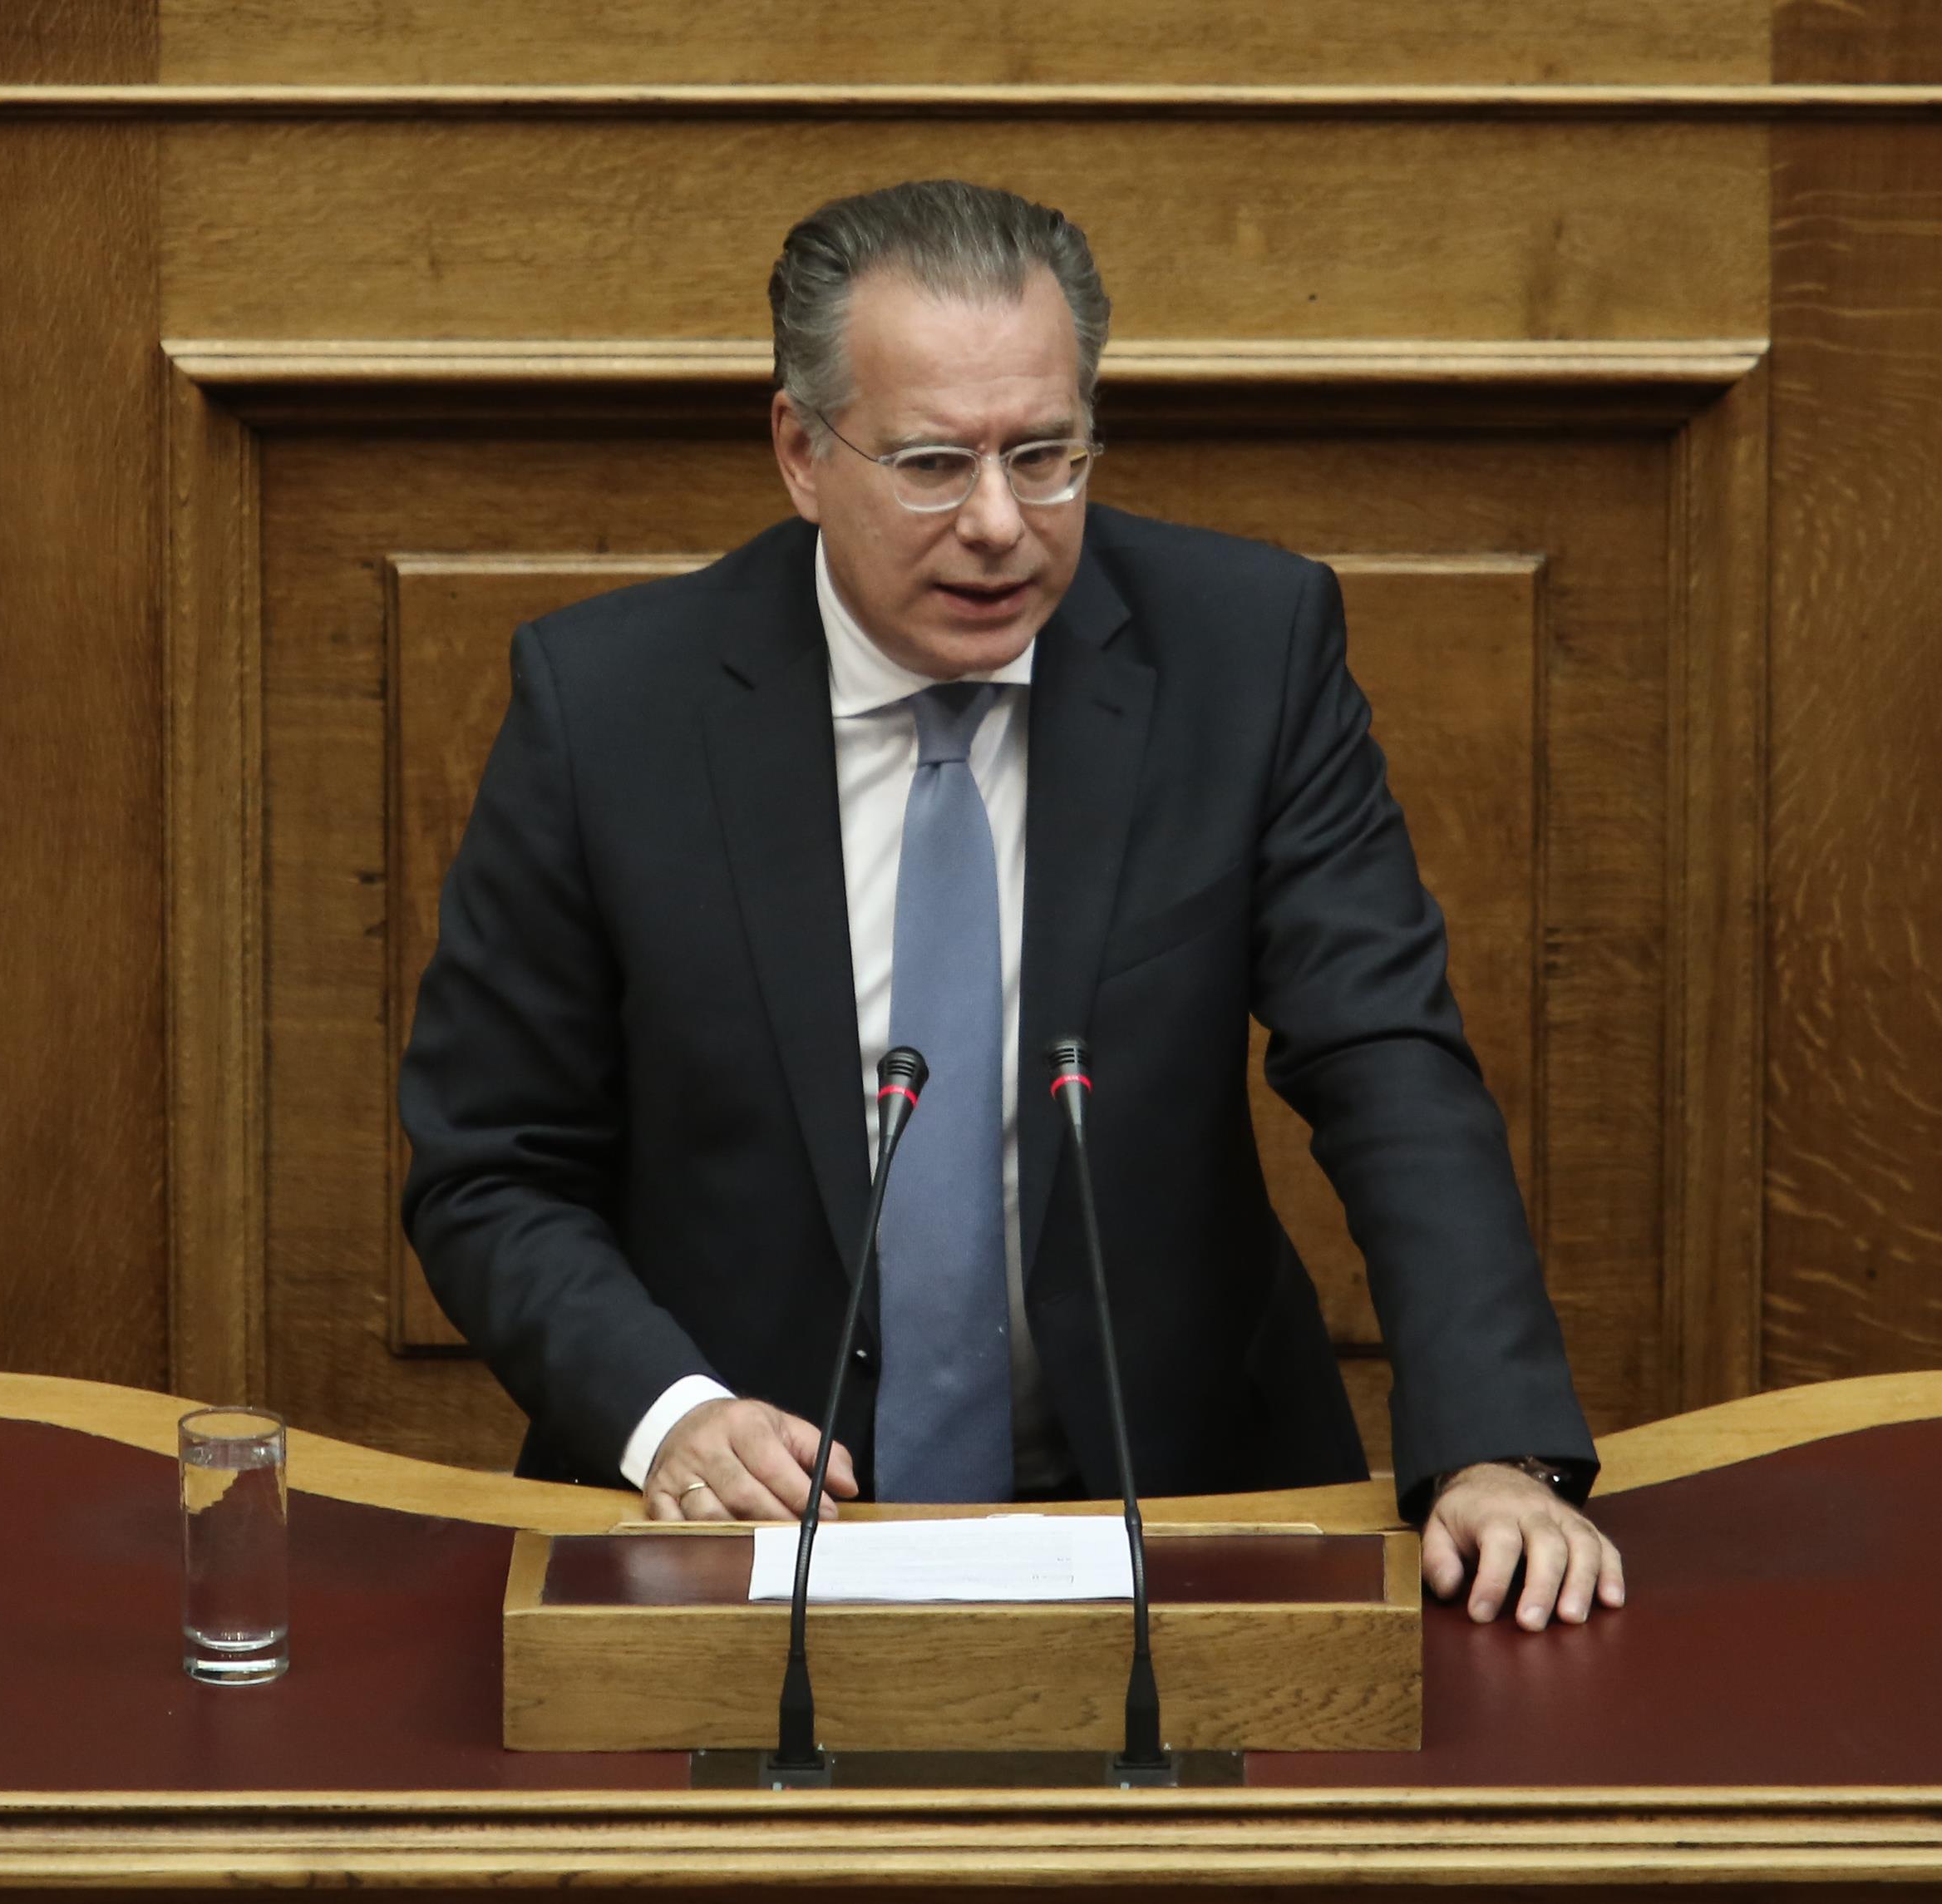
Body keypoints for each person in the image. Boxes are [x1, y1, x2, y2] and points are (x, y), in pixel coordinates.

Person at [401, 180, 1622, 1628]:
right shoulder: (611, 709)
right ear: (801, 450)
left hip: (1182, 1505)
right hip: (749, 1536)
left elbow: (1383, 1058)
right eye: (931, 463)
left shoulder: (1245, 652)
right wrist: (668, 1411)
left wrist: (1489, 1443)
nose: (999, 524)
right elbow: (490, 1164)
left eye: (1044, 455)